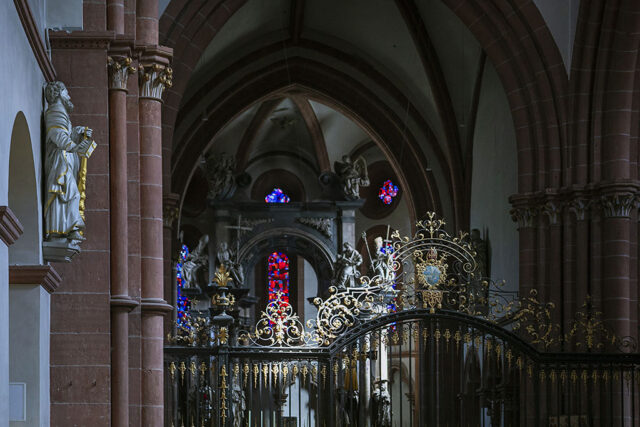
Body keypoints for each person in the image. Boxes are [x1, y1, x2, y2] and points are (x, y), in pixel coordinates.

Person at [44, 81, 95, 242]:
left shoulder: (61, 113)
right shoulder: (55, 111)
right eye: (66, 92)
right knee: (68, 193)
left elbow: (64, 134)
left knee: (69, 194)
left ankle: (67, 228)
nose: (69, 96)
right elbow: (57, 136)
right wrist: (75, 147)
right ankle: (61, 229)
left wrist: (76, 133)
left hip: (65, 162)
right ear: (59, 93)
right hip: (60, 163)